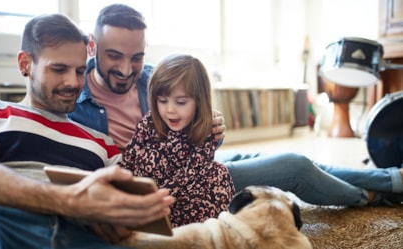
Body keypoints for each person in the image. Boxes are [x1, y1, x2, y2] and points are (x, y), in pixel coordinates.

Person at [68, 3, 403, 208]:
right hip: (181, 182)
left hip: (195, 158)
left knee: (300, 158)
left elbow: (201, 131)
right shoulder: (72, 98)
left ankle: (390, 180)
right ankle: (372, 196)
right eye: (114, 56)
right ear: (93, 45)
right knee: (293, 166)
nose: (127, 69)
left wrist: (212, 127)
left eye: (137, 57)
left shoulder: (155, 80)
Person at [0, 14, 174, 249]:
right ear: (25, 64)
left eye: (80, 71)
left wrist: (116, 217)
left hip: (76, 232)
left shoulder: (102, 142)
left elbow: (121, 198)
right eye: (59, 69)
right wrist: (69, 201)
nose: (73, 82)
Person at [119, 53, 236, 227]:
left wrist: (157, 197)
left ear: (199, 101)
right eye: (163, 101)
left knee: (219, 173)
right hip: (150, 200)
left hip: (182, 198)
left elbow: (191, 175)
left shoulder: (206, 130)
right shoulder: (149, 123)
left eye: (181, 102)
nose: (170, 110)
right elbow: (129, 160)